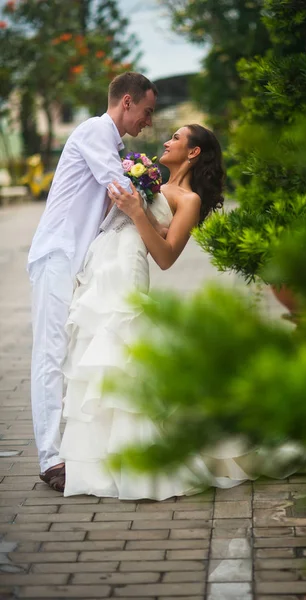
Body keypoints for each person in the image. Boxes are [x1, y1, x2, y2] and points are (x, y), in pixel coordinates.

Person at [59, 124, 306, 499]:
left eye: (176, 137)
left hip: (129, 272)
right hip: (102, 266)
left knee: (122, 357)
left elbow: (165, 257)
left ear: (193, 152)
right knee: (100, 359)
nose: (166, 141)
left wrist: (136, 212)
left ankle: (142, 461)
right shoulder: (153, 184)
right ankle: (103, 461)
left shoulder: (188, 199)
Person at [27, 72, 158, 492]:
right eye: (147, 111)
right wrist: (165, 202)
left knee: (69, 354)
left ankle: (70, 448)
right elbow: (119, 188)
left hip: (78, 259)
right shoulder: (94, 131)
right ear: (126, 102)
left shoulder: (112, 142)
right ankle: (50, 459)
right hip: (57, 255)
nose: (148, 122)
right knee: (49, 354)